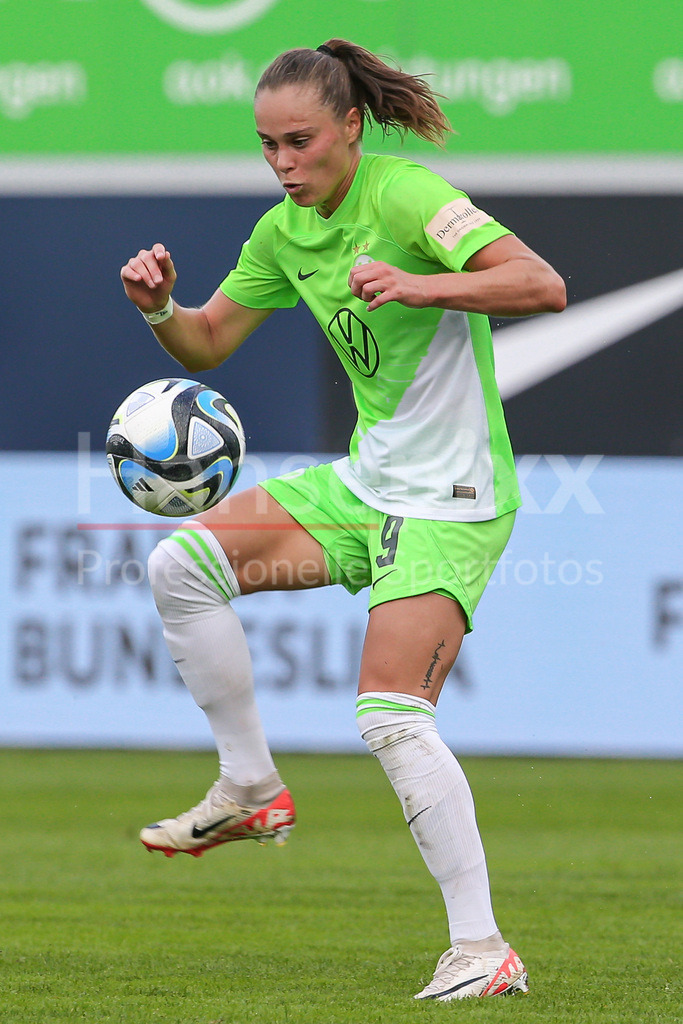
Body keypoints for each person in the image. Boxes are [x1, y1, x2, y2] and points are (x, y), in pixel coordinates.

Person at [120, 38, 565, 1002]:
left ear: (350, 129)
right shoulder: (282, 232)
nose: (282, 162)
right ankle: (248, 788)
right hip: (366, 487)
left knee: (390, 714)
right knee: (180, 566)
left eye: (299, 141)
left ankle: (484, 950)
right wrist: (161, 311)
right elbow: (207, 343)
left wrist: (422, 282)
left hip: (452, 498)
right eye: (267, 145)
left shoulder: (406, 197)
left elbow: (541, 285)